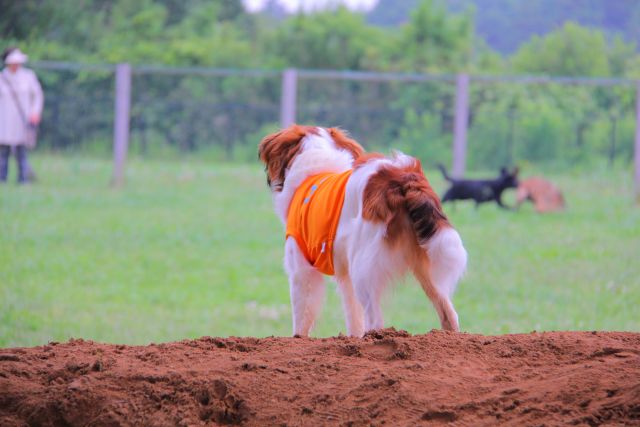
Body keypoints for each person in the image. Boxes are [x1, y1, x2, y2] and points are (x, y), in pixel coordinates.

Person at [0, 47, 43, 184]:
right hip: (4, 121)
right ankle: (2, 178)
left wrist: (35, 113)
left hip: (22, 120)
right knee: (3, 152)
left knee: (22, 152)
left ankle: (23, 179)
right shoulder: (2, 78)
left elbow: (37, 96)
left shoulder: (28, 76)